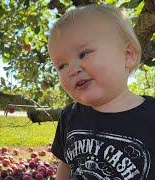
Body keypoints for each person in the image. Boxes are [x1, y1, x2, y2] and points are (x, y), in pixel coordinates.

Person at [47, 4, 155, 180]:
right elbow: (65, 166)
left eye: (83, 54)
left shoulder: (151, 117)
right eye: (61, 65)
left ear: (128, 55)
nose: (72, 69)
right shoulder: (69, 116)